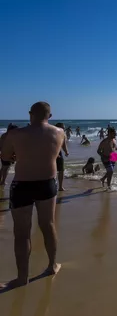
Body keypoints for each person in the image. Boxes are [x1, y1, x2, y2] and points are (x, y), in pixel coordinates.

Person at [0, 102, 63, 289]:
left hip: (22, 185)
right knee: (48, 225)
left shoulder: (15, 134)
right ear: (50, 116)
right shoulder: (60, 133)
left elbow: (5, 156)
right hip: (47, 184)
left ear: (30, 114)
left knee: (21, 233)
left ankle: (22, 278)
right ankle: (52, 266)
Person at [54, 123, 70, 192]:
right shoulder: (60, 134)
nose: (63, 129)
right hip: (55, 153)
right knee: (59, 170)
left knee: (60, 170)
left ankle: (60, 186)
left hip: (55, 153)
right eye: (62, 127)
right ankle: (58, 186)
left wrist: (66, 152)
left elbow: (63, 145)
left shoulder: (60, 134)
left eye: (64, 128)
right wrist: (66, 152)